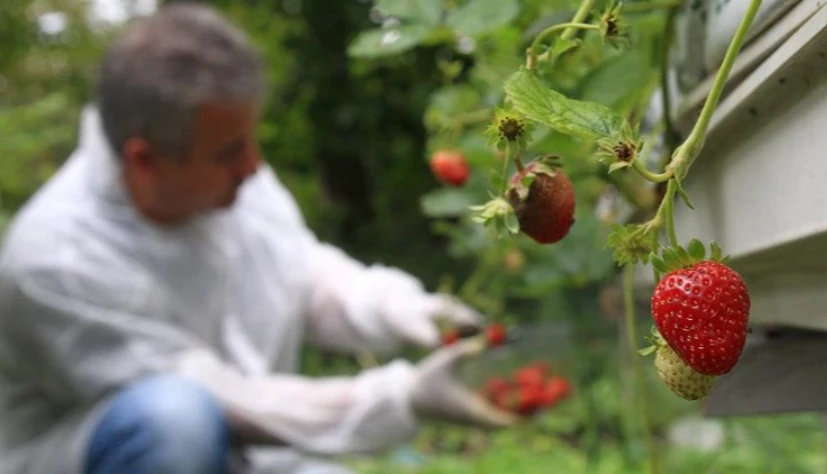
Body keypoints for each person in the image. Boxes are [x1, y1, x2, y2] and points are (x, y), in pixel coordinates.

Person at [0, 4, 520, 474]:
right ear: (145, 160)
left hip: (256, 456)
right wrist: (402, 398)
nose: (252, 166)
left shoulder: (229, 177)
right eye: (230, 152)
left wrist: (403, 310)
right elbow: (217, 401)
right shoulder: (57, 260)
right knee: (175, 417)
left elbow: (303, 274)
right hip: (130, 452)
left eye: (249, 140)